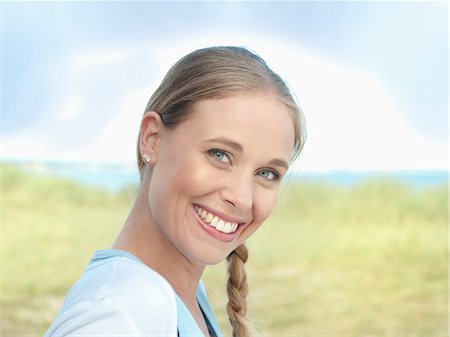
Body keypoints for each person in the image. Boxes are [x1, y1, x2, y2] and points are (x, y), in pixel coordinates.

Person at [44, 46, 306, 337]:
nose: (242, 198)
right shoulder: (120, 313)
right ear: (152, 139)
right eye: (219, 154)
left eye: (266, 173)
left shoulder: (179, 295)